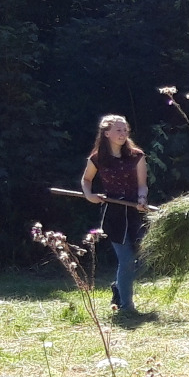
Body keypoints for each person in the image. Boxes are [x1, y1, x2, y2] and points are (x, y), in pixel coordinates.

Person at [80, 114, 148, 314]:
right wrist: (89, 196)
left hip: (136, 213)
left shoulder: (137, 156)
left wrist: (142, 199)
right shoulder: (97, 158)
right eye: (118, 130)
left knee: (144, 260)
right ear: (107, 133)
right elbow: (86, 180)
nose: (123, 133)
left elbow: (143, 186)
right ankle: (127, 308)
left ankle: (119, 286)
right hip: (113, 215)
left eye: (125, 129)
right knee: (126, 260)